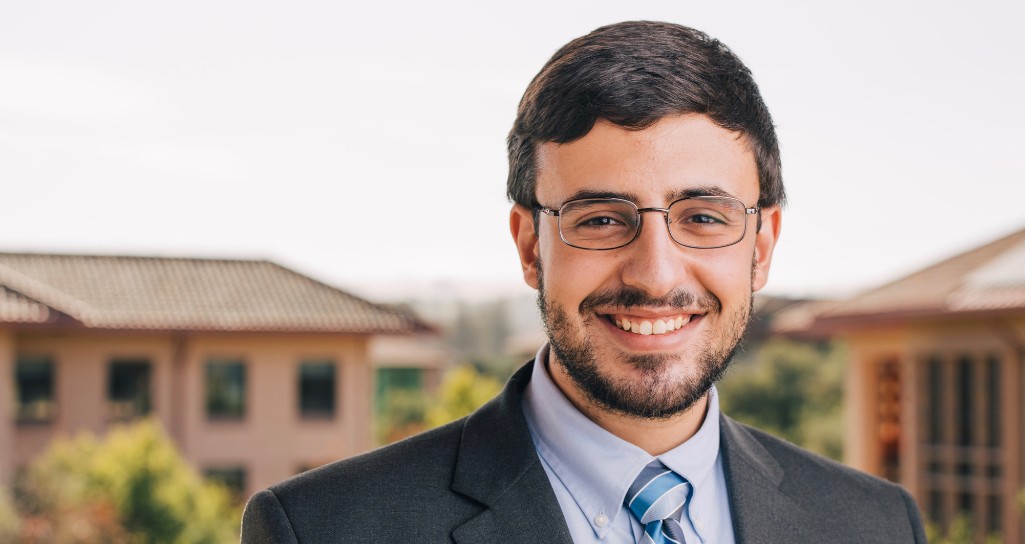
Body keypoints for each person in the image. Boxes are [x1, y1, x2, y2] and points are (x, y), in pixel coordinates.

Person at [242, 20, 926, 543]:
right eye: (601, 219)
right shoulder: (323, 529)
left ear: (762, 245)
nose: (656, 273)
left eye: (703, 217)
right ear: (530, 245)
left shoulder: (876, 524)